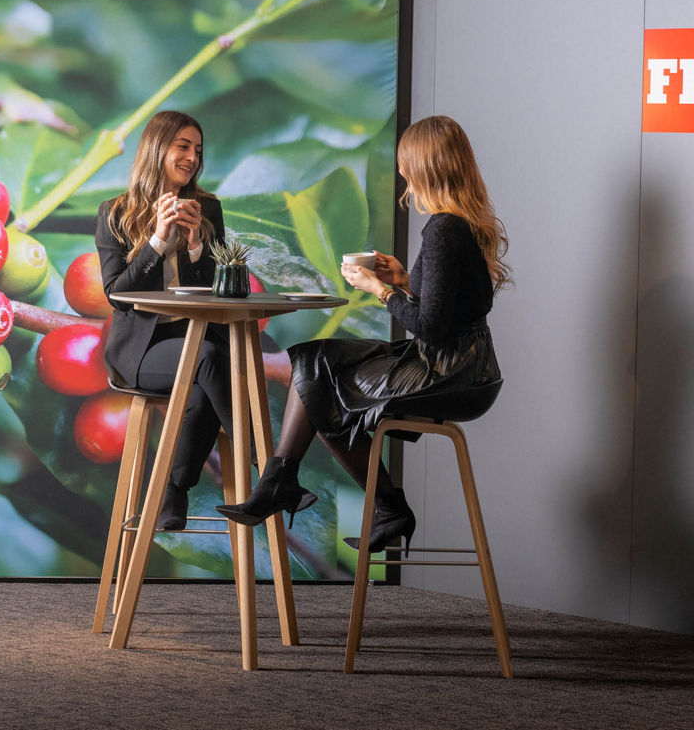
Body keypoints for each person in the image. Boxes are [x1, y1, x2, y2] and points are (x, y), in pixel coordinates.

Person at [217, 115, 508, 555]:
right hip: (464, 365)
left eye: (406, 162)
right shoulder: (461, 222)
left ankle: (306, 488)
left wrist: (379, 290)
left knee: (320, 381)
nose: (402, 171)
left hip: (450, 372)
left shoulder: (445, 229)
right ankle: (287, 481)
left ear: (424, 165)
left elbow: (429, 325)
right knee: (313, 363)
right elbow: (455, 307)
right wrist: (406, 279)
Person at [95, 110, 231, 531]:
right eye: (183, 146)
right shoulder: (115, 212)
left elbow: (219, 288)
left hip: (189, 339)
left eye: (198, 150)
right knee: (207, 359)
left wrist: (194, 246)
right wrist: (156, 240)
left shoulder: (207, 208)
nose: (192, 157)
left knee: (201, 394)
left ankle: (174, 495)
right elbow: (119, 295)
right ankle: (262, 460)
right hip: (141, 351)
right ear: (158, 149)